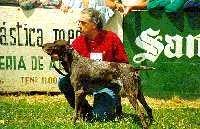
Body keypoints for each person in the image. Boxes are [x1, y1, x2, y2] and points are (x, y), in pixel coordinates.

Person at [58, 8, 128, 119]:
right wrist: (61, 58)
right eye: (79, 22)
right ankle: (84, 110)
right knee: (63, 82)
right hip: (87, 83)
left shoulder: (112, 38)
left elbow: (124, 64)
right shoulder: (78, 42)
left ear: (94, 24)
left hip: (107, 84)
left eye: (83, 23)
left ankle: (112, 105)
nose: (79, 25)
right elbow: (71, 70)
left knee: (100, 116)